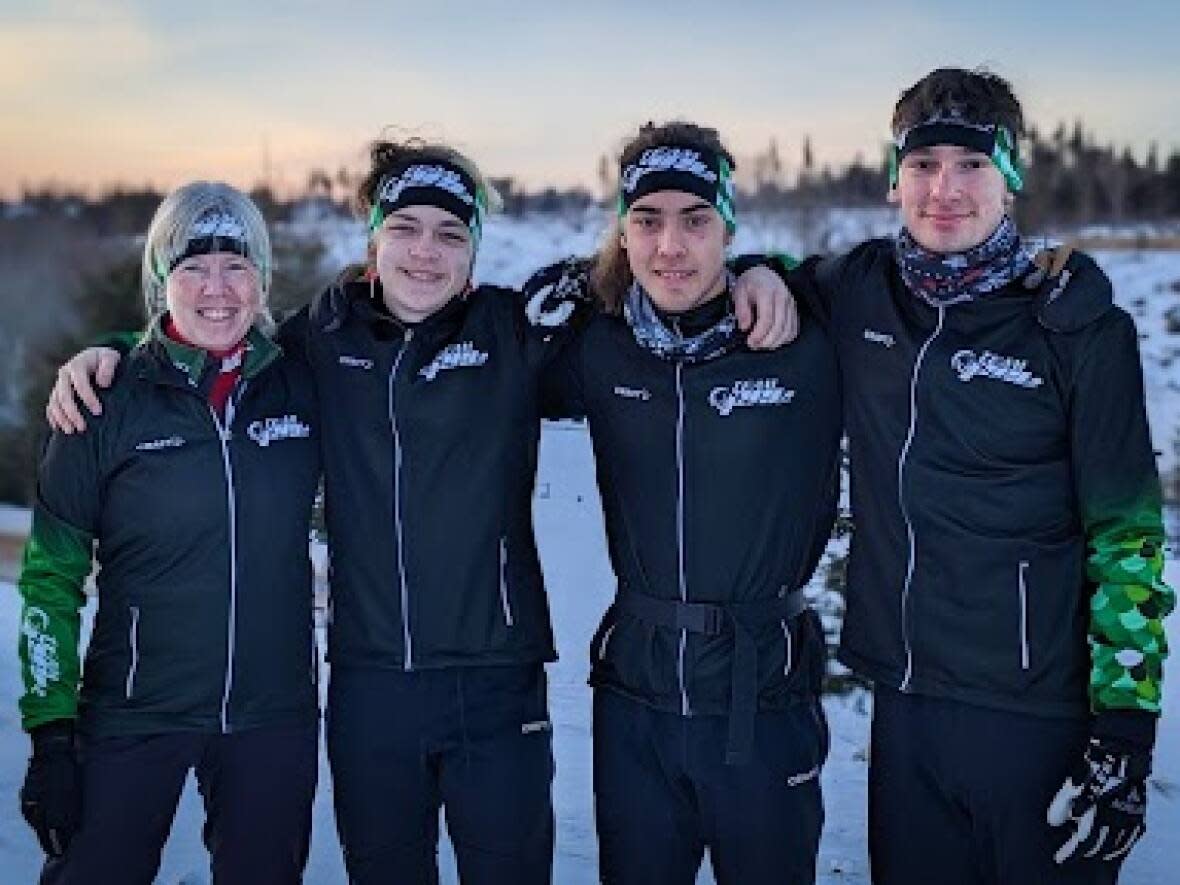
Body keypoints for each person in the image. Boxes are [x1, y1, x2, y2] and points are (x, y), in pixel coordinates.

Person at [43, 138, 795, 884]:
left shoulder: (516, 331)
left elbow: (664, 295)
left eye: (449, 234)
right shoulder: (322, 340)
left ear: (472, 254)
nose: (425, 253)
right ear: (374, 239)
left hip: (499, 688)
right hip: (373, 692)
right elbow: (212, 335)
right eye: (405, 228)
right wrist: (109, 352)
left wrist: (766, 271)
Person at [773, 68, 1175, 884]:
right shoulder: (861, 293)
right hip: (908, 710)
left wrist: (1126, 730)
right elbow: (764, 273)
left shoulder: (1079, 328)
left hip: (1038, 717)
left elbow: (1128, 532)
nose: (944, 190)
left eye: (971, 165)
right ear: (895, 179)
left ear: (1011, 177)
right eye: (922, 166)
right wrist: (757, 273)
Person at [531, 121, 839, 884]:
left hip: (761, 692)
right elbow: (496, 340)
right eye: (647, 220)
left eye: (695, 219)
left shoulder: (801, 335)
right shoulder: (598, 346)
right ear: (623, 232)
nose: (671, 245)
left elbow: (893, 282)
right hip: (635, 696)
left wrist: (778, 271)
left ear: (728, 224)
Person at [17, 181, 321, 884]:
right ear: (162, 279)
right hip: (132, 710)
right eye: (192, 265)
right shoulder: (103, 401)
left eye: (236, 264)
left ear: (263, 278)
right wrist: (51, 732)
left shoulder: (302, 387)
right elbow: (50, 578)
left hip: (271, 715)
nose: (217, 287)